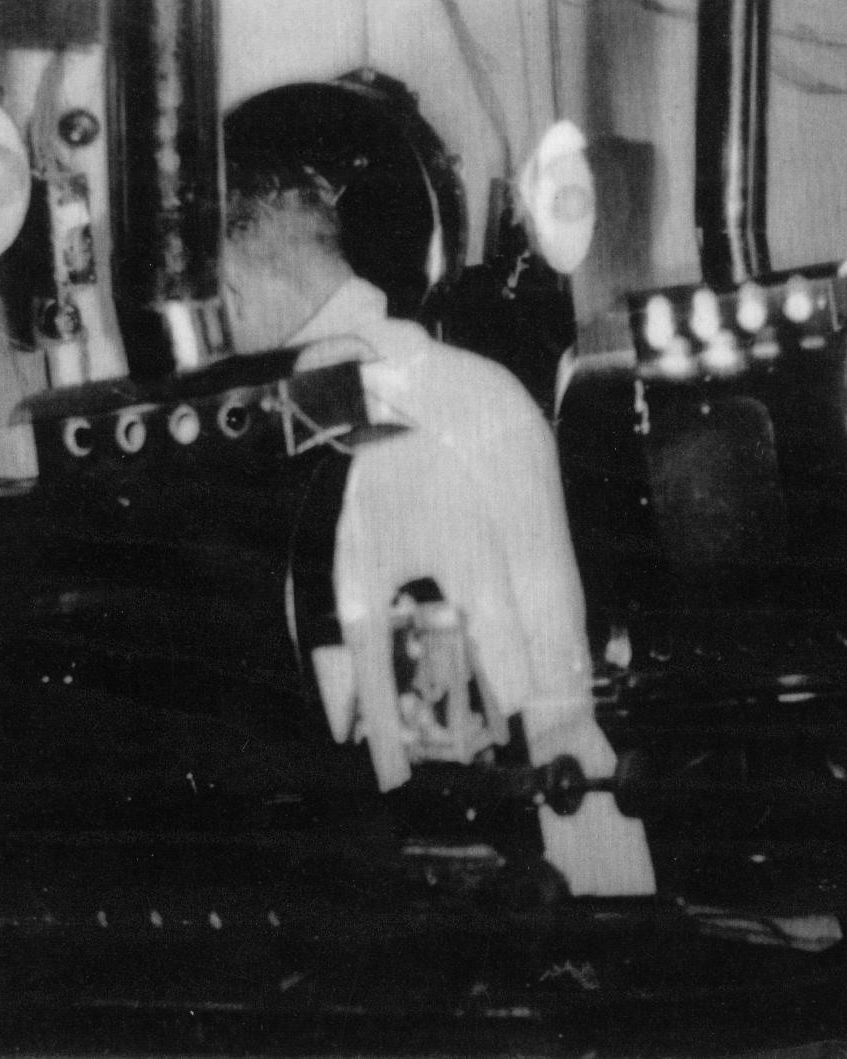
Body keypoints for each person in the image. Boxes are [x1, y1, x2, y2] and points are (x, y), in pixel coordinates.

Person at [219, 170, 655, 897]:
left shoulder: (352, 430)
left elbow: (419, 699)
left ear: (249, 287)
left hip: (492, 847)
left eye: (225, 303)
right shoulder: (480, 380)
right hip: (582, 793)